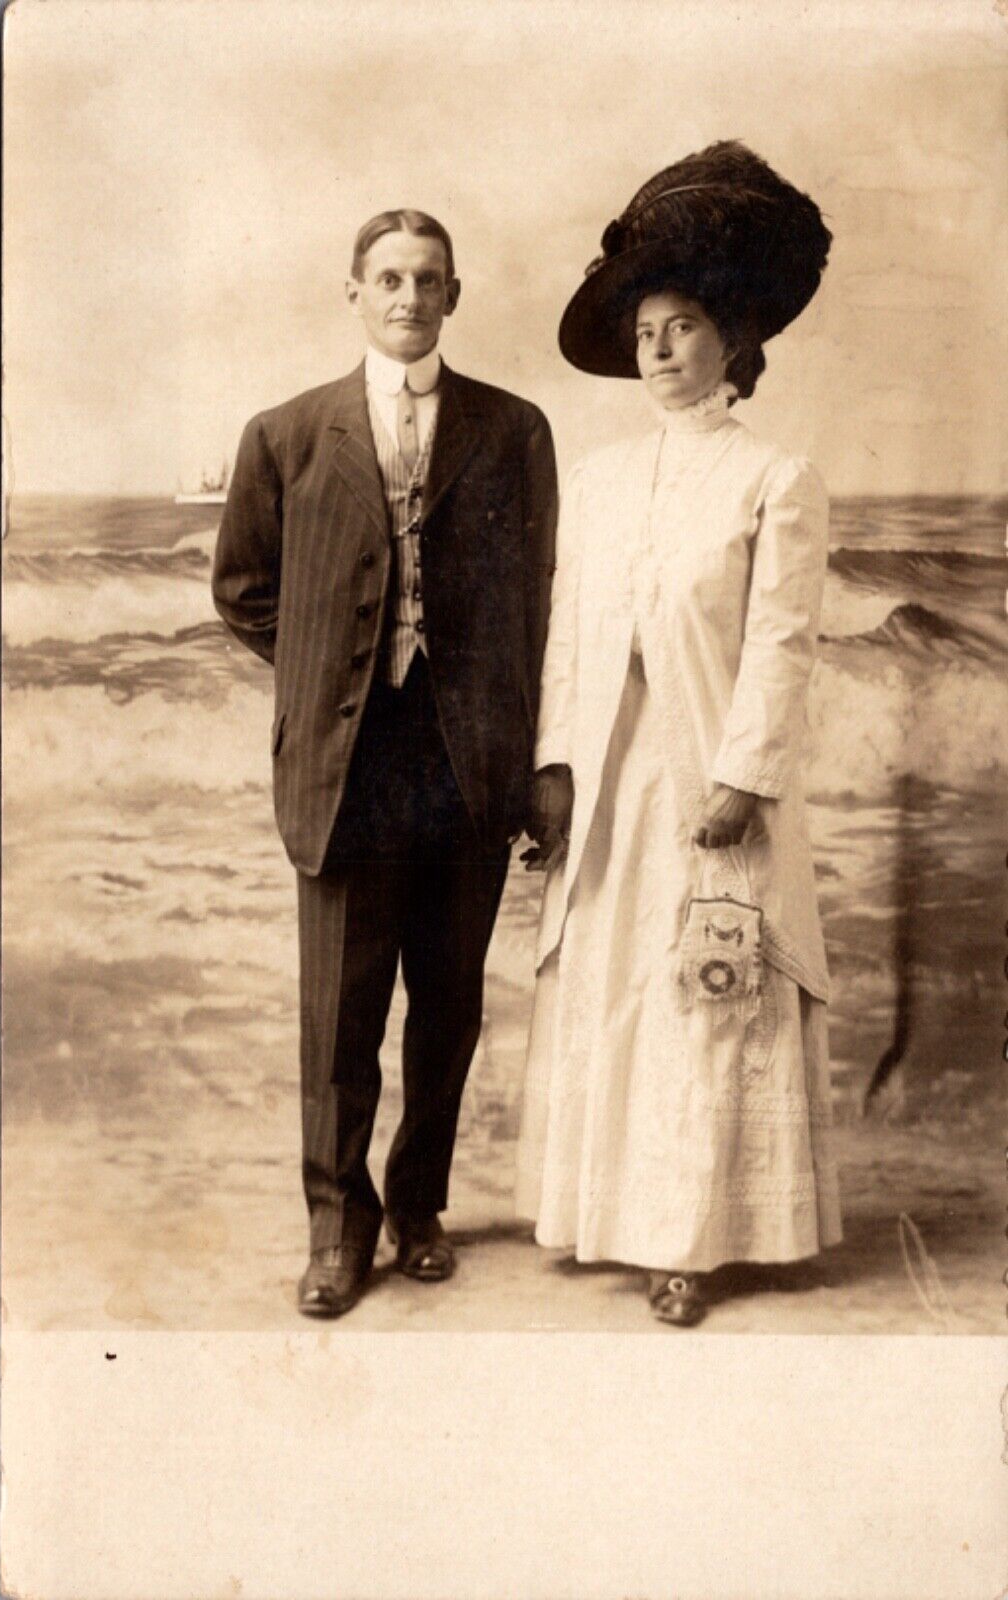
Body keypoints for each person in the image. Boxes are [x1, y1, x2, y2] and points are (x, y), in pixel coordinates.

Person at [516, 142, 842, 1327]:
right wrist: (554, 765)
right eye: (644, 331)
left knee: (706, 993)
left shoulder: (774, 476)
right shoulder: (601, 480)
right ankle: (606, 1215)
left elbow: (781, 643)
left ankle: (690, 1240)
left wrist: (742, 778)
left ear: (733, 341)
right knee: (616, 992)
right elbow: (565, 635)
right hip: (613, 782)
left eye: (682, 326)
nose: (658, 350)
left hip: (709, 779)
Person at [213, 209, 558, 1318]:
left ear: (454, 296)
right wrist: (335, 675)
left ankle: (416, 1204)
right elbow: (242, 591)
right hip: (348, 762)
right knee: (339, 1014)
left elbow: (542, 595)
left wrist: (524, 744)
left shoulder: (513, 429)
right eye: (389, 278)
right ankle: (334, 1221)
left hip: (466, 757)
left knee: (447, 1003)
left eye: (429, 280)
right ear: (353, 291)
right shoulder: (286, 433)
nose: (409, 297)